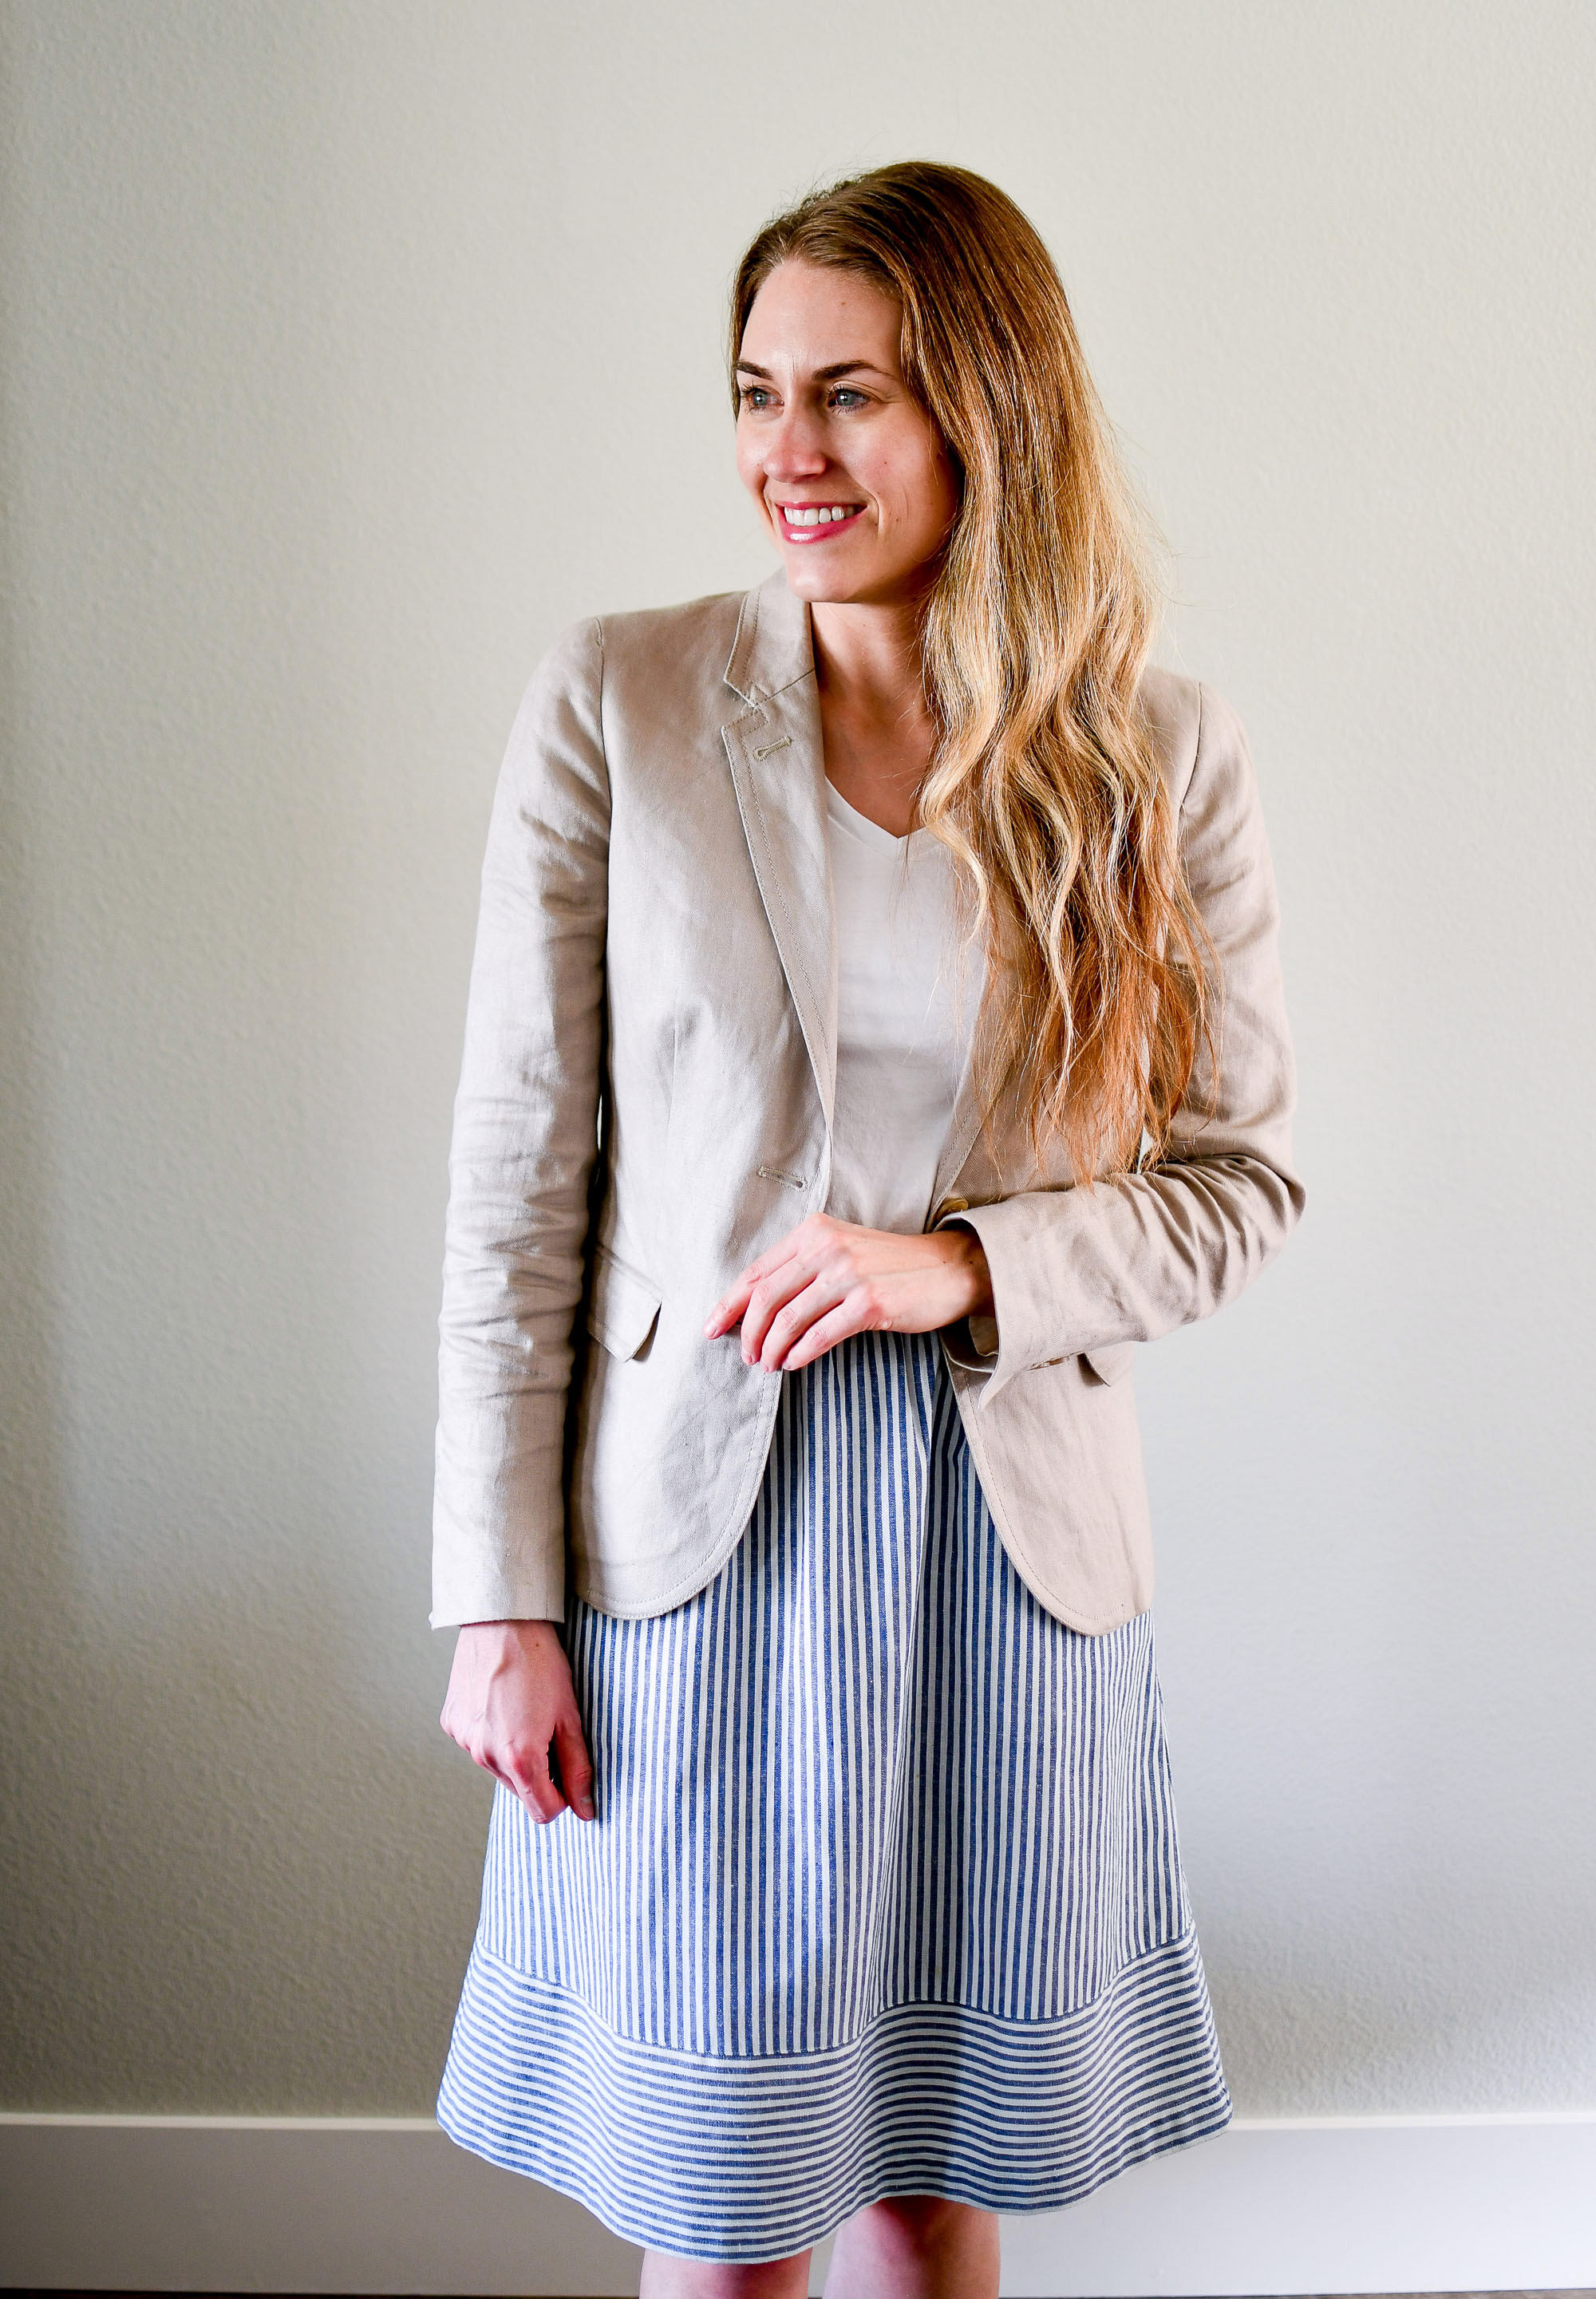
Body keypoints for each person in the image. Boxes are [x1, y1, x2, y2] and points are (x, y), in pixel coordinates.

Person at [429, 160, 1303, 2299]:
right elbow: (520, 1177)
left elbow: (1242, 1184)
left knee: (932, 2178)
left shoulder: (1151, 755)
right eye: (753, 394)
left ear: (985, 410)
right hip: (693, 1547)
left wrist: (969, 1264)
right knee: (728, 2204)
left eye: (849, 396)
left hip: (1003, 1536)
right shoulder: (618, 702)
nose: (783, 455)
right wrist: (495, 1598)